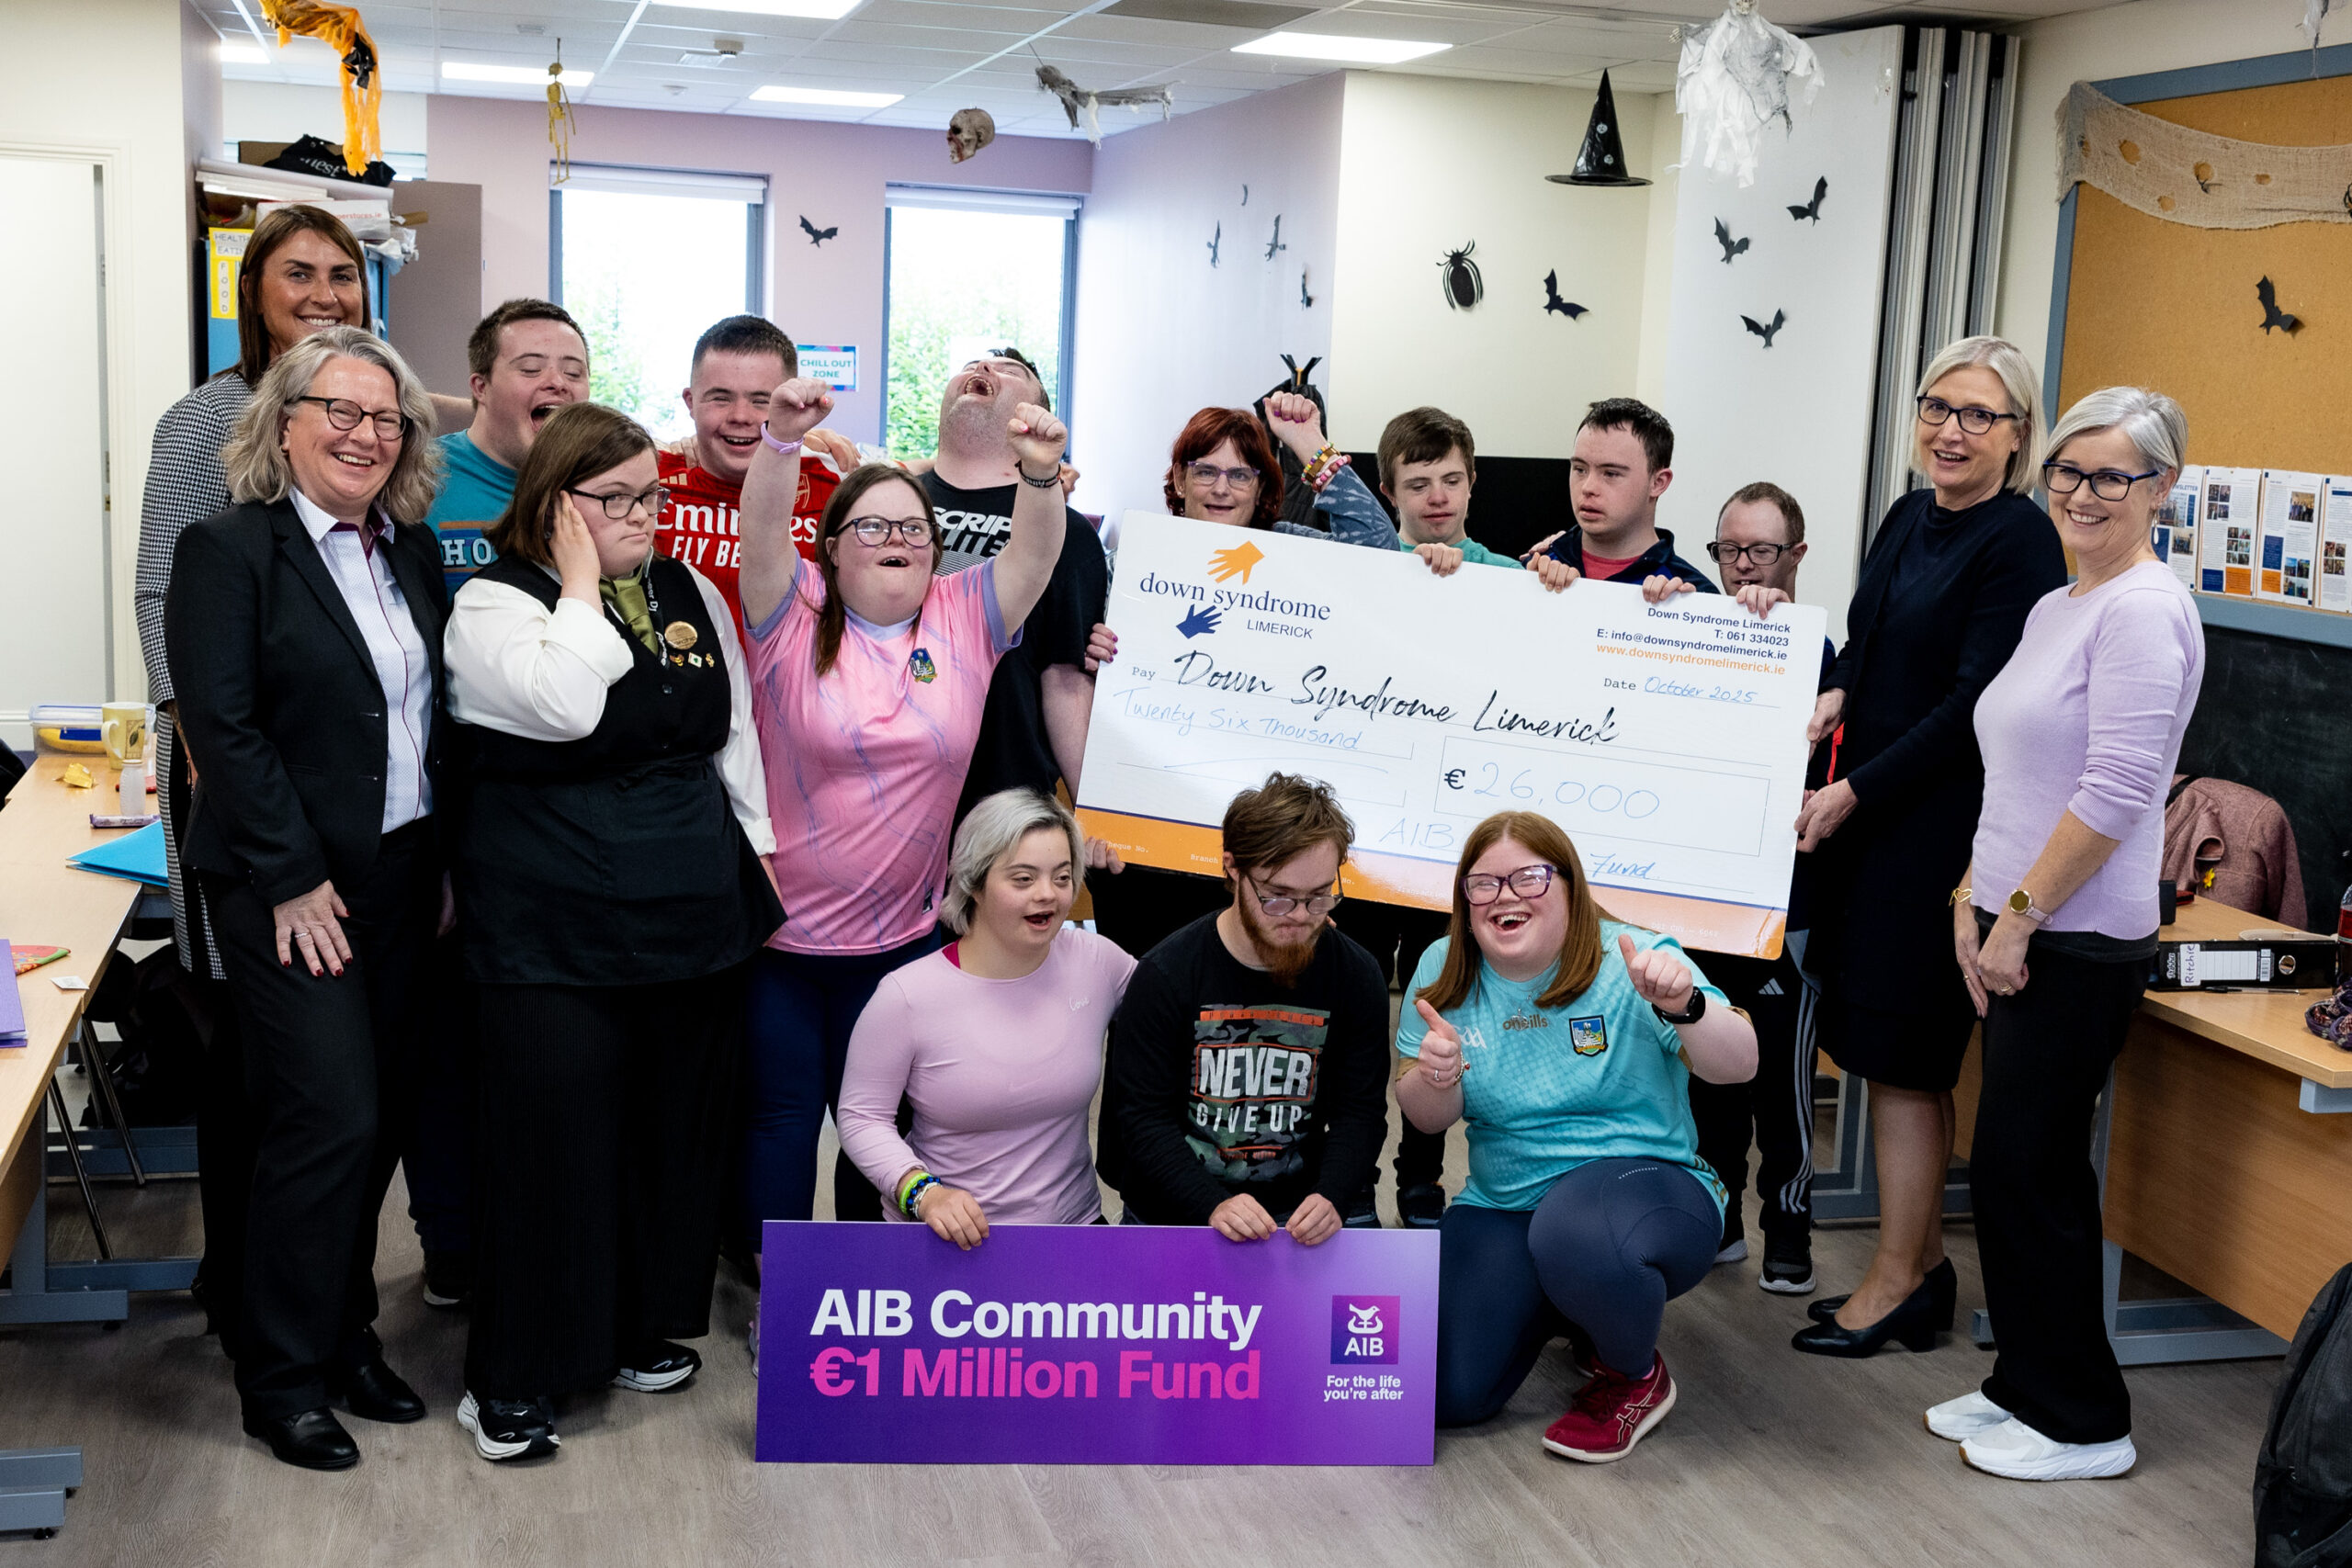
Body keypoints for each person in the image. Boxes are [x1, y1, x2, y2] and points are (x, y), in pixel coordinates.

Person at [440, 401, 782, 1463]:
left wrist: (758, 845)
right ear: (555, 505)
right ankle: (515, 1374)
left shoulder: (685, 592)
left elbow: (731, 736)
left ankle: (636, 1325)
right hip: (552, 921)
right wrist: (582, 581)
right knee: (552, 1148)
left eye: (652, 494)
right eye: (616, 499)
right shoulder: (493, 605)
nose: (645, 514)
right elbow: (563, 707)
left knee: (667, 1133)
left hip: (688, 904)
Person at [164, 326, 448, 1472]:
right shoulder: (228, 550)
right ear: (284, 422)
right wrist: (290, 879)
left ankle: (344, 1338)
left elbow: (431, 723)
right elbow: (220, 730)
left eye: (386, 419)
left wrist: (441, 869)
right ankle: (277, 1377)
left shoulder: (411, 553)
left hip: (400, 878)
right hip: (291, 887)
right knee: (325, 1116)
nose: (365, 434)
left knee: (374, 1125)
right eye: (340, 410)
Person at [1931, 388, 2204, 1481]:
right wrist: (1969, 896)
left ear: (2160, 490)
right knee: (2002, 1168)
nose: (2080, 495)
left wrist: (2023, 918)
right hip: (2012, 920)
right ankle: (2022, 1386)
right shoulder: (2063, 603)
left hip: (2075, 939)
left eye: (2110, 477)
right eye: (2066, 472)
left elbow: (2121, 786)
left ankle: (2085, 1419)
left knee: (2031, 1172)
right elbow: (2017, 775)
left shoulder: (2145, 608)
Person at [735, 374, 1069, 1239]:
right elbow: (761, 530)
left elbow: (1033, 557)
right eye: (873, 526)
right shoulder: (791, 610)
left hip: (903, 944)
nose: (898, 540)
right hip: (780, 940)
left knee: (875, 1133)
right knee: (778, 1125)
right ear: (834, 547)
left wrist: (1037, 472)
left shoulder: (965, 616)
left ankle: (862, 1282)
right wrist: (779, 441)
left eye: (913, 527)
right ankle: (783, 1300)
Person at [1791, 335, 2067, 1359]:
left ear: (2019, 436)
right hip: (1872, 824)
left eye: (1979, 416)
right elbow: (1872, 648)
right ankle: (1916, 1271)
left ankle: (1904, 1277)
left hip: (1938, 835)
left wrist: (1855, 788)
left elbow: (1969, 705)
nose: (1950, 430)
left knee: (1908, 1065)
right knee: (1872, 1052)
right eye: (1936, 407)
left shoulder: (2020, 542)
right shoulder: (1910, 514)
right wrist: (1832, 697)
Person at [133, 203, 373, 1365]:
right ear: (253, 291)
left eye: (343, 275)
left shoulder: (371, 413)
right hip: (231, 784)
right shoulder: (206, 421)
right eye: (299, 276)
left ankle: (295, 1291)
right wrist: (198, 741)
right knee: (245, 1047)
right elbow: (158, 592)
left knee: (311, 1070)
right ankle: (236, 1287)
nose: (325, 294)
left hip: (341, 794)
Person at [1396, 812, 1756, 1461]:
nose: (1505, 895)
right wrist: (1437, 1076)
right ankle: (1576, 1309)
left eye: (1528, 876)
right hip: (1506, 1204)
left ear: (1570, 884)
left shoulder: (1636, 956)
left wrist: (1687, 1007)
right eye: (1483, 883)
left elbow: (1741, 1064)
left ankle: (1634, 1374)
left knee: (1575, 1232)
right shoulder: (1442, 966)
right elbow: (1425, 1117)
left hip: (1649, 1191)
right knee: (1447, 1393)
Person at [1089, 403, 1465, 981]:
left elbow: (1378, 547)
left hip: (1270, 820)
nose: (1222, 488)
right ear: (1180, 478)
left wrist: (1313, 448)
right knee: (1164, 983)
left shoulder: (1287, 546)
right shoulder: (1133, 560)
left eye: (1241, 474)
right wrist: (1095, 651)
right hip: (1161, 815)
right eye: (1205, 470)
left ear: (1261, 485)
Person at [1645, 481, 1833, 1292]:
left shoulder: (1818, 654)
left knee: (1784, 1088)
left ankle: (1788, 1226)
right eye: (1729, 549)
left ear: (1795, 555)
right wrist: (1660, 608)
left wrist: (1776, 627)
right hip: (1699, 900)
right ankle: (1717, 1216)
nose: (1743, 566)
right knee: (1708, 1069)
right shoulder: (1695, 624)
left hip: (1787, 909)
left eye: (1761, 550)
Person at [1346, 404, 1527, 1227]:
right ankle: (1349, 1181)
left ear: (1473, 480)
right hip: (1359, 836)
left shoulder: (1515, 580)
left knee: (1439, 1011)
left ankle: (1420, 1182)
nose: (1438, 496)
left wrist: (1554, 592)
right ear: (1388, 490)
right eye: (1418, 483)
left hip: (1454, 846)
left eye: (1452, 478)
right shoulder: (1356, 568)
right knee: (1351, 1010)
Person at [1099, 772, 1389, 1242]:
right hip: (1178, 1201)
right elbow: (1141, 1119)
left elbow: (1361, 1112)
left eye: (1319, 896)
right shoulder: (1167, 973)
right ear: (1232, 868)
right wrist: (1209, 1204)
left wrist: (1332, 1194)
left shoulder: (1355, 973)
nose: (1300, 915)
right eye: (1276, 896)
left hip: (1303, 1205)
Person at [837, 790, 1136, 1237]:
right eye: (1023, 879)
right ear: (974, 883)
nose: (1048, 896)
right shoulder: (907, 995)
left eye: (1061, 877)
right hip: (945, 1238)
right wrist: (923, 1192)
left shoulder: (1098, 963)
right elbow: (862, 1116)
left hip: (1073, 1230)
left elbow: (1174, 1010)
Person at [918, 348, 1108, 819]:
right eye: (971, 364)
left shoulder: (1067, 530)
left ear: (1039, 413)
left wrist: (1096, 811)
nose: (982, 369)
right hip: (892, 783)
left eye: (1011, 372)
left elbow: (1066, 679)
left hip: (1004, 799)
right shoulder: (888, 503)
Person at [654, 314, 852, 618]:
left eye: (762, 401)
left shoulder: (833, 483)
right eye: (720, 398)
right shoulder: (648, 482)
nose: (741, 416)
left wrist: (791, 439)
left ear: (793, 404)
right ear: (690, 402)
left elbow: (929, 471)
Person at [423, 299, 591, 589]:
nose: (558, 382)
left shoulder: (602, 483)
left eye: (573, 373)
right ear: (481, 387)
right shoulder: (419, 475)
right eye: (530, 368)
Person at [1528, 399, 1714, 591]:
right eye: (1580, 469)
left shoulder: (1693, 595)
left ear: (1658, 483)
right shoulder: (1534, 568)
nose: (1587, 487)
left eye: (1610, 473)